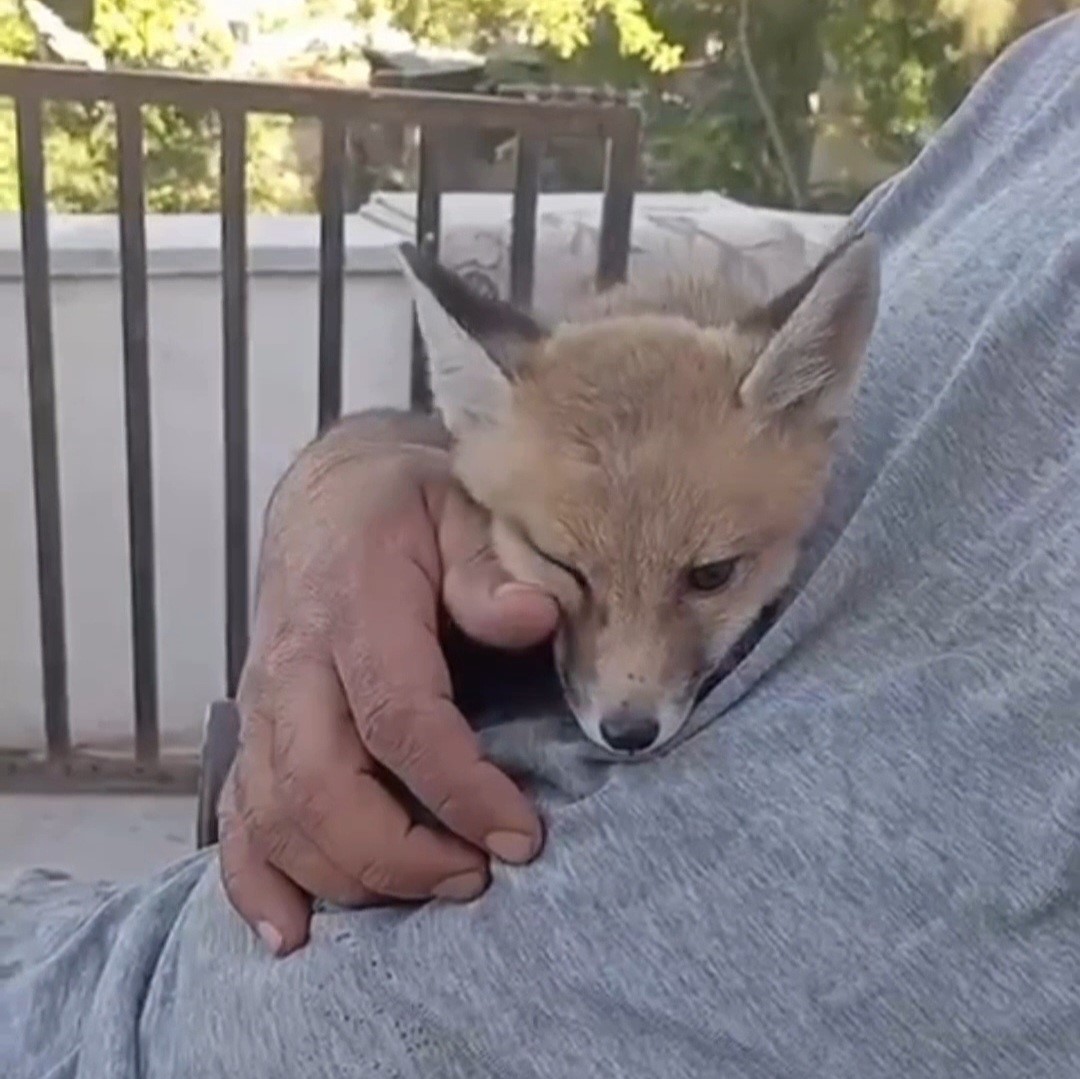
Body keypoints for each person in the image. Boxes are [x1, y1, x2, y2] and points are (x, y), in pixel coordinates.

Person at [4, 13, 1080, 1077]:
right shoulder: (1034, 100)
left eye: (708, 577)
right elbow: (515, 439)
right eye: (573, 574)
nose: (630, 688)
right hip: (99, 960)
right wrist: (360, 472)